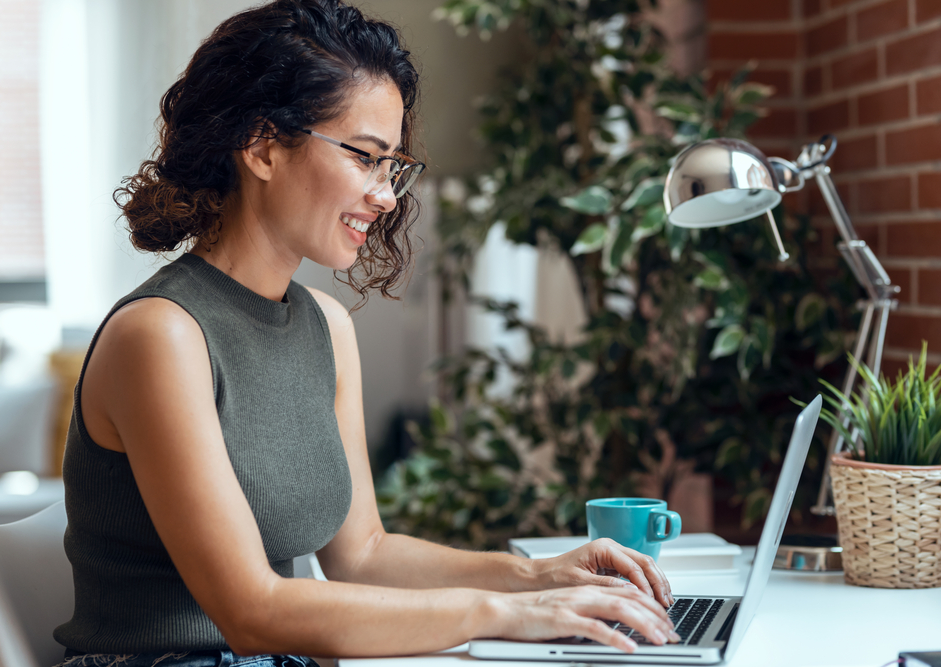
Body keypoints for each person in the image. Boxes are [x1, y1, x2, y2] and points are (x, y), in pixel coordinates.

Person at [52, 1, 681, 666]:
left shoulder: (323, 324)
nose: (386, 196)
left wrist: (542, 575)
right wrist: (507, 614)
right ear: (262, 146)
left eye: (392, 166)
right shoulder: (160, 334)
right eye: (364, 156)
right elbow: (252, 611)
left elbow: (363, 555)